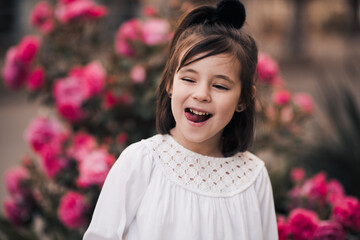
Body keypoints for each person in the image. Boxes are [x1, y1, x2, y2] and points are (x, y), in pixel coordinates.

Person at [83, 0, 278, 239]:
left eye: (219, 85)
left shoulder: (252, 177)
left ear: (244, 99)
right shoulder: (142, 163)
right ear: (169, 83)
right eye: (189, 79)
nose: (201, 94)